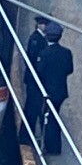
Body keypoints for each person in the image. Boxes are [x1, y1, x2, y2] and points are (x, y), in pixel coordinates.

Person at [35, 21, 74, 155]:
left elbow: (40, 70)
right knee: (54, 116)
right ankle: (55, 146)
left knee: (47, 118)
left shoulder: (44, 53)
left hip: (47, 90)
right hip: (60, 90)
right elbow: (70, 70)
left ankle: (49, 146)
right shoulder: (66, 53)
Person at [22, 14, 49, 144]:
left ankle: (29, 135)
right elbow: (33, 59)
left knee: (35, 107)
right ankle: (27, 136)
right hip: (34, 80)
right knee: (32, 108)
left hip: (36, 79)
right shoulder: (36, 39)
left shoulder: (41, 38)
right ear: (39, 25)